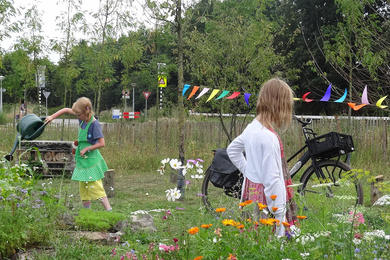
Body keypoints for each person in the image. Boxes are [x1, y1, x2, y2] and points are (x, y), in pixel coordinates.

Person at [227, 78, 297, 237]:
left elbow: (232, 150)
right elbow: (272, 180)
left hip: (254, 193)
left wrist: (250, 172)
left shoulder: (252, 128)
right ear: (279, 105)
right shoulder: (267, 137)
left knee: (254, 239)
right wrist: (279, 214)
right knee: (271, 243)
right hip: (270, 203)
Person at [45, 97, 112, 211]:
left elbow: (102, 143)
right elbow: (66, 110)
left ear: (86, 112)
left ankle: (109, 210)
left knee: (95, 186)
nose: (76, 117)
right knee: (83, 187)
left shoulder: (94, 125)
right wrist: (52, 117)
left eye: (77, 114)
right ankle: (87, 212)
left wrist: (87, 149)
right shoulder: (82, 118)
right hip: (82, 159)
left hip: (91, 159)